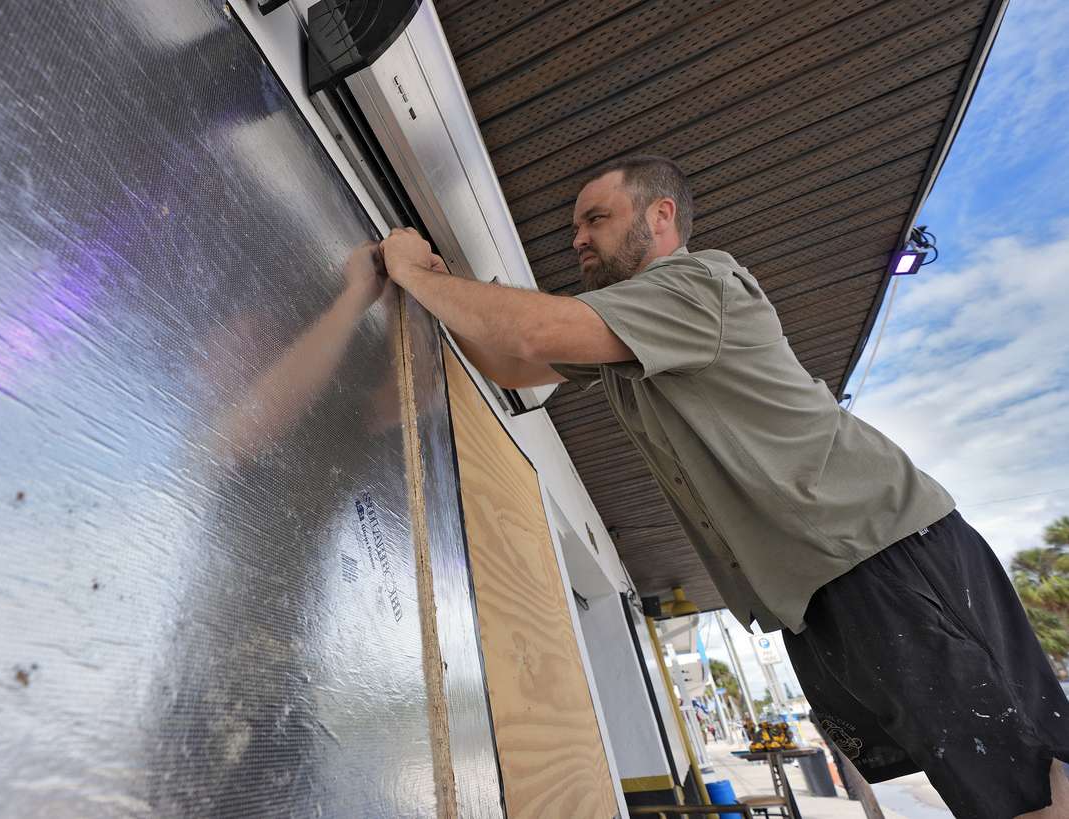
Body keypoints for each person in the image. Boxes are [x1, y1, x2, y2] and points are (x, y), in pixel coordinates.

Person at [379, 155, 1069, 818]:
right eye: (576, 230)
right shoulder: (627, 336)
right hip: (820, 594)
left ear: (661, 215)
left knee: (1028, 791)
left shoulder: (698, 284)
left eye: (595, 218)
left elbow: (527, 333)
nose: (579, 239)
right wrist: (435, 284)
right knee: (983, 783)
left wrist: (411, 272)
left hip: (879, 554)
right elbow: (508, 364)